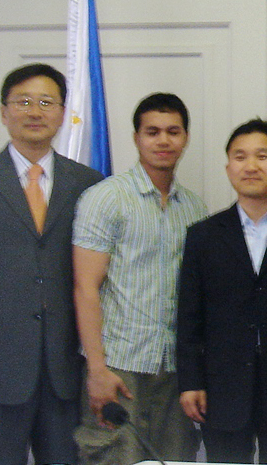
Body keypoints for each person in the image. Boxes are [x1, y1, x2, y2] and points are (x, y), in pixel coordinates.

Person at [0, 63, 104, 465]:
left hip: (64, 367)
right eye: (23, 101)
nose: (34, 112)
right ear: (4, 111)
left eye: (46, 102)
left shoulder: (87, 183)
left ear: (62, 114)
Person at [72, 92, 208, 465]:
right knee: (115, 456)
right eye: (152, 132)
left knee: (173, 460)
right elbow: (85, 288)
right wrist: (97, 369)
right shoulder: (105, 199)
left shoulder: (195, 208)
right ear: (136, 138)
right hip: (119, 366)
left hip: (173, 369)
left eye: (173, 132)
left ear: (185, 137)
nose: (163, 141)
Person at [176, 119, 267, 463]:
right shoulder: (203, 236)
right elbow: (189, 318)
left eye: (262, 156)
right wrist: (190, 381)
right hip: (221, 389)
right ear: (228, 169)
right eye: (240, 157)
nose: (251, 166)